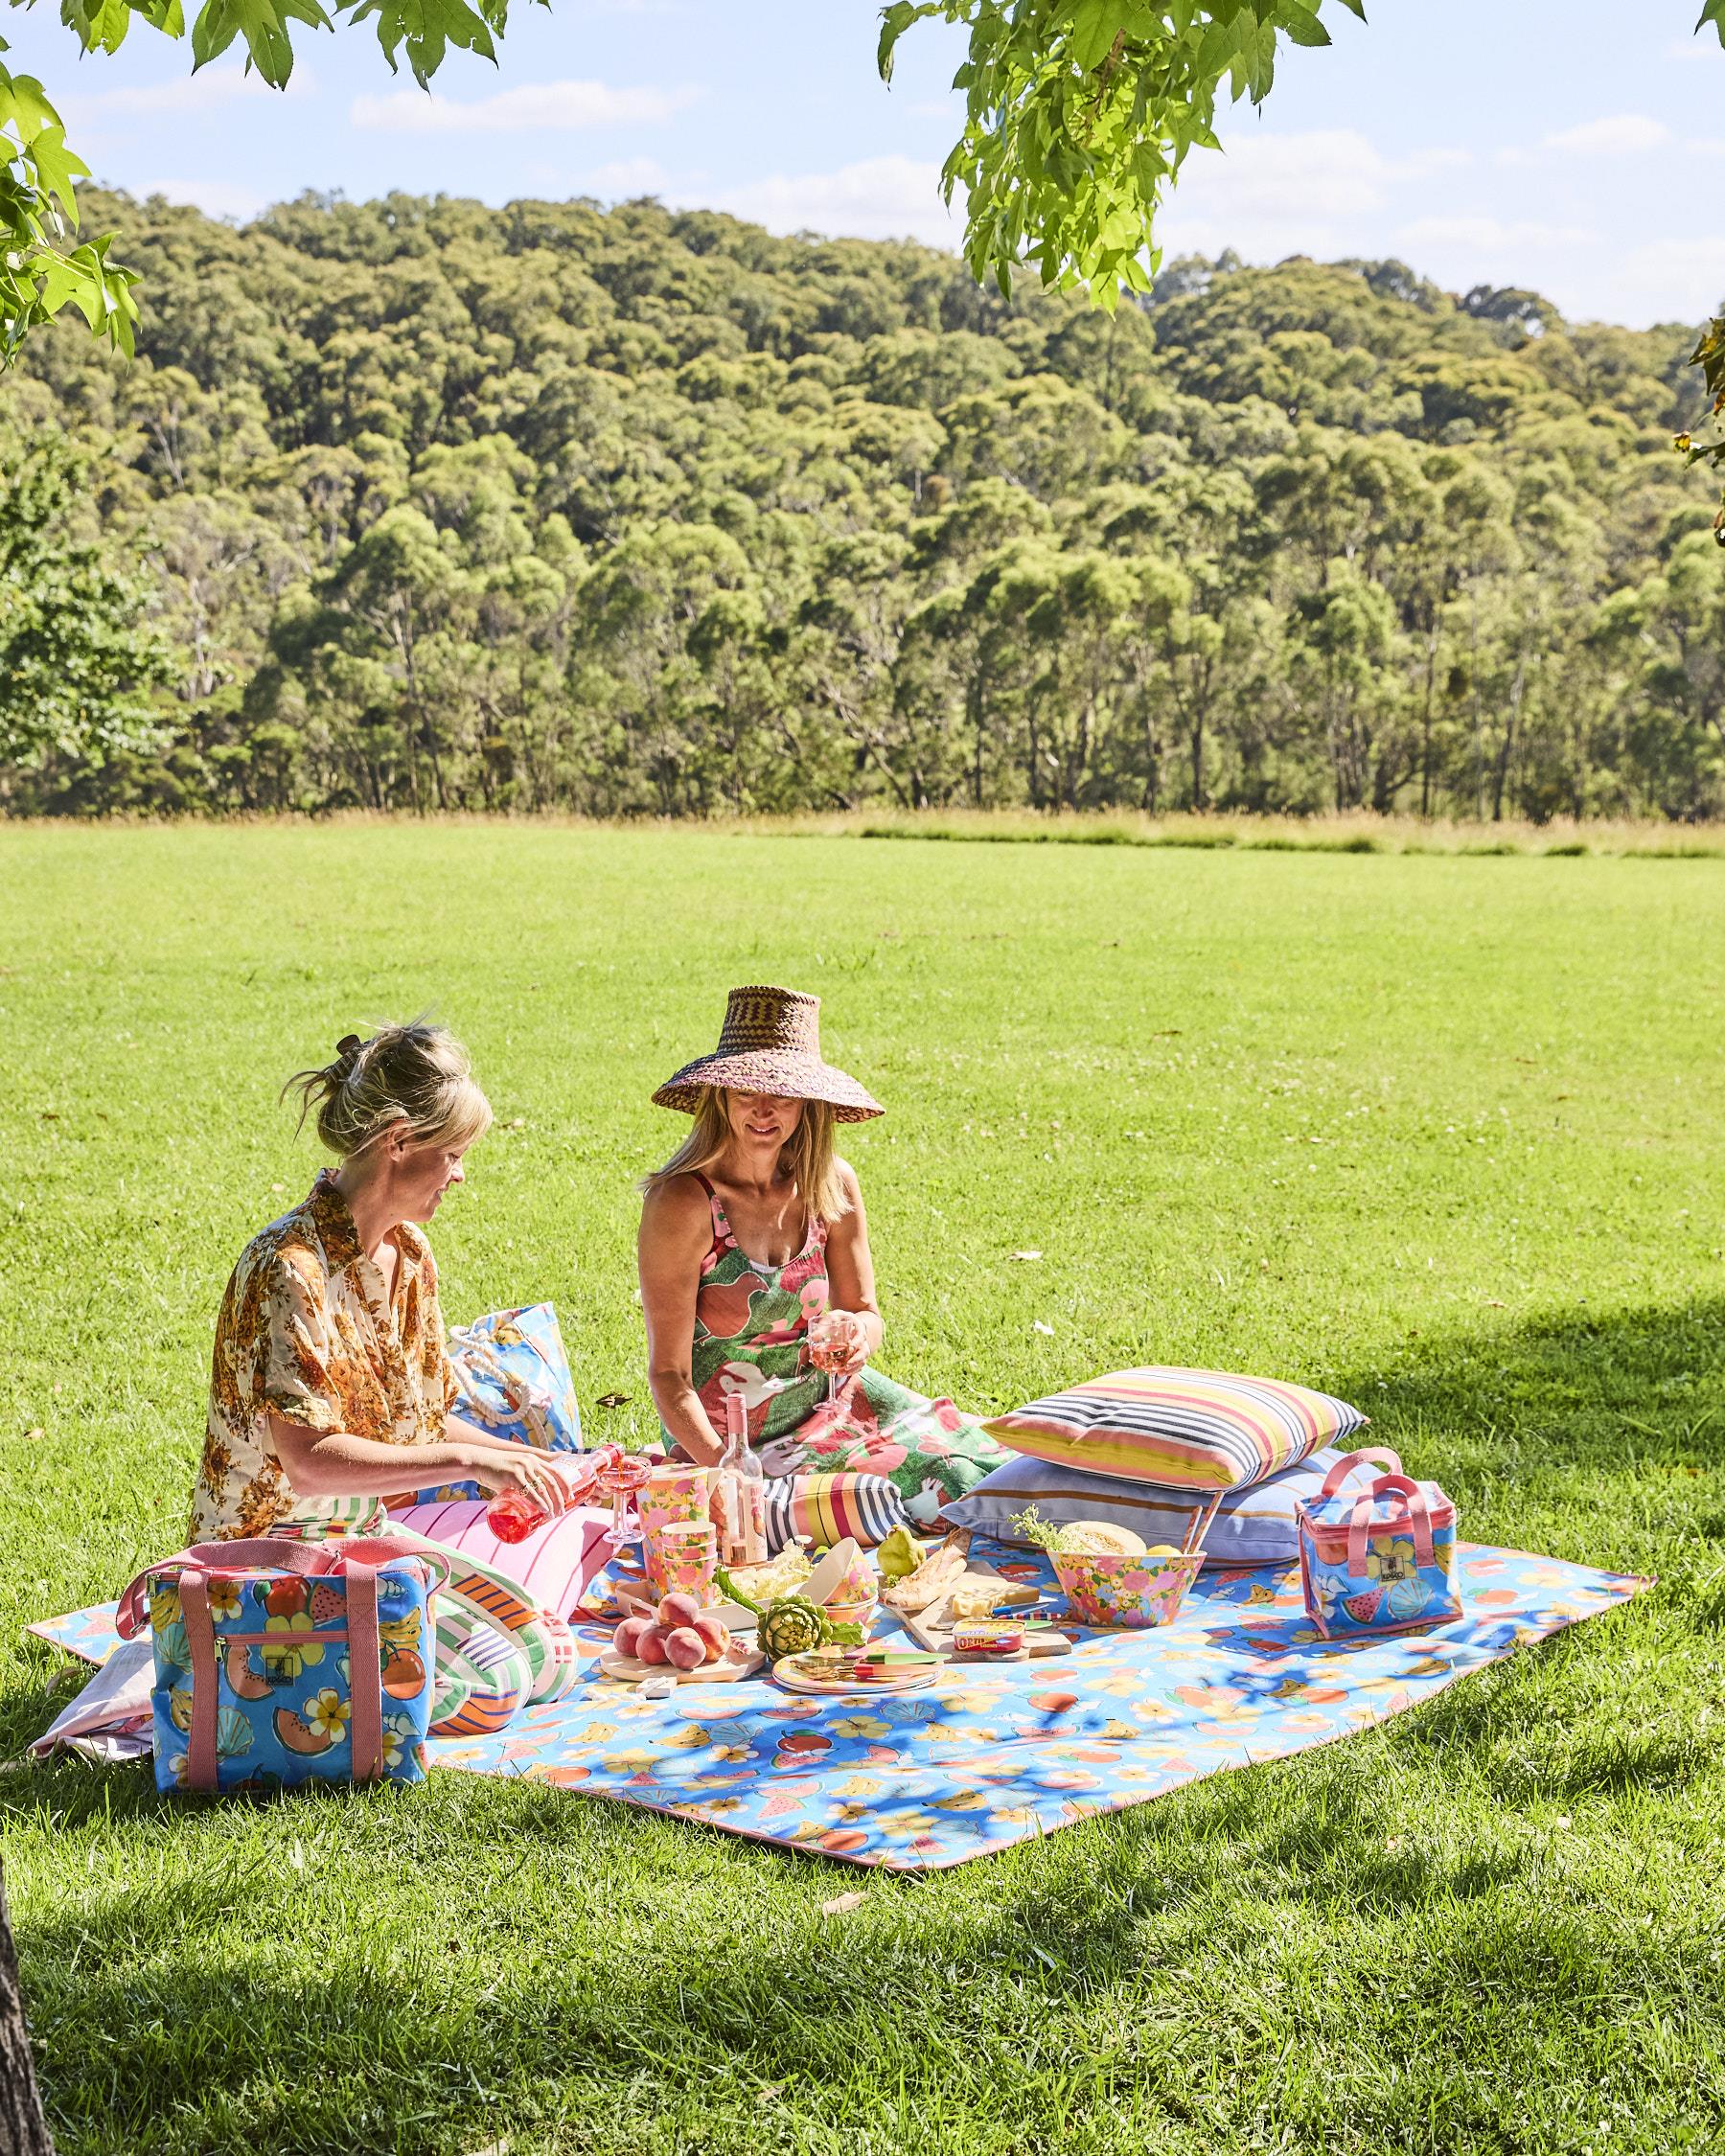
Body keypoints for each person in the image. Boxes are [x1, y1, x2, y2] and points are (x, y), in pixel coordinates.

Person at [636, 984, 1007, 1527]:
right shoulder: (684, 1202)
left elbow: (865, 1311)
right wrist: (729, 1472)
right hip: (732, 1434)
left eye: (783, 1095)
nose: (764, 1112)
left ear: (808, 1104)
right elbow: (670, 1377)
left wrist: (858, 1335)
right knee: (906, 1504)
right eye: (746, 1093)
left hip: (830, 1402)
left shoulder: (830, 1186)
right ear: (719, 1097)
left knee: (982, 1472)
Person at [190, 1021, 573, 1543]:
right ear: (398, 1141)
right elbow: (310, 1464)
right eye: (453, 1154)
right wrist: (473, 1463)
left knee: (526, 1615)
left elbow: (426, 1422)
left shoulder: (410, 1251)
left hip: (361, 1540)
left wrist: (548, 1465)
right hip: (260, 1571)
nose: (459, 1175)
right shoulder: (290, 1266)